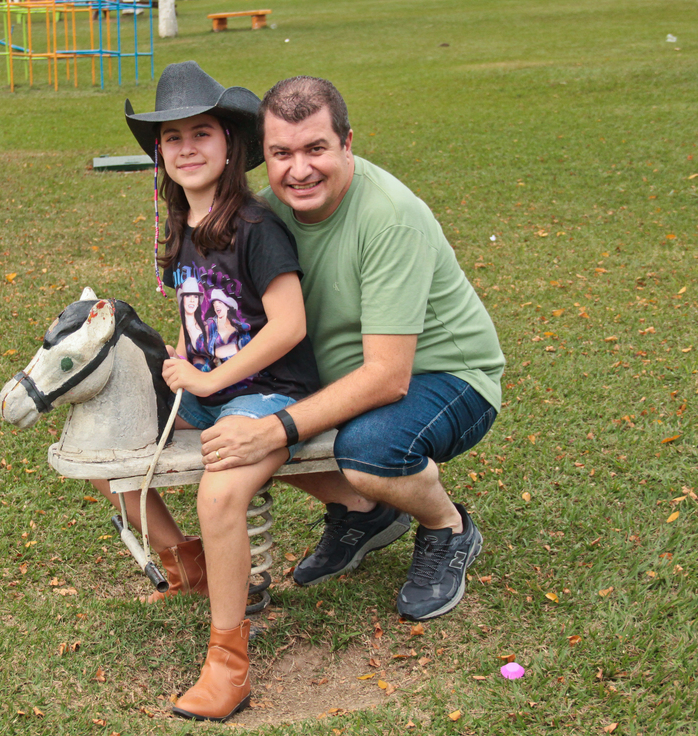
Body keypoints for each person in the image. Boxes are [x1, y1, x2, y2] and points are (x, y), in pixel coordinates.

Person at [197, 76, 506, 623]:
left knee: (366, 450)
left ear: (347, 143)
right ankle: (363, 515)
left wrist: (272, 429)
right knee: (244, 408)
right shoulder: (264, 215)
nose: (300, 170)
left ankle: (447, 527)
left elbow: (389, 377)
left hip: (446, 376)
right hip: (341, 374)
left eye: (316, 148)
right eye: (281, 153)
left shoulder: (389, 217)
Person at [91, 61, 321, 723]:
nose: (186, 147)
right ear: (159, 155)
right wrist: (184, 357)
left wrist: (214, 378)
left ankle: (229, 665)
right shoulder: (180, 232)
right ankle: (185, 564)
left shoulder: (256, 228)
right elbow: (207, 318)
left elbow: (290, 325)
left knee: (218, 489)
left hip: (269, 393)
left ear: (229, 147)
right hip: (210, 384)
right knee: (106, 444)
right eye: (172, 138)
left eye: (201, 133)